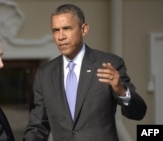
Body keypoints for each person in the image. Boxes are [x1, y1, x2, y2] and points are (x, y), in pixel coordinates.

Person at [23, 3, 147, 141]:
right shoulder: (44, 74)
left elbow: (139, 112)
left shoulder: (108, 64)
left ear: (84, 29)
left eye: (67, 28)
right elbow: (37, 126)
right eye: (55, 30)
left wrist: (121, 91)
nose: (60, 36)